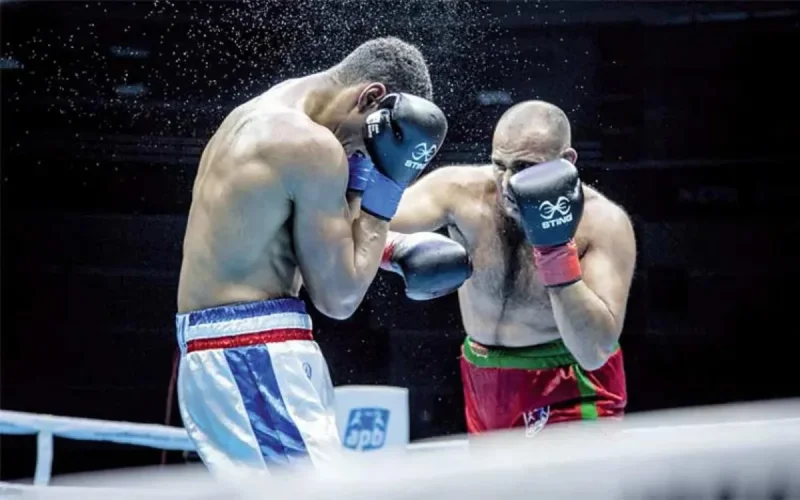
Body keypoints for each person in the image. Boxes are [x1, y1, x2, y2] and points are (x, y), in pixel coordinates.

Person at [175, 37, 471, 475]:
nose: (362, 157)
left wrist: (390, 249)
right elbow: (339, 298)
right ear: (371, 97)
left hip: (236, 351)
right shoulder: (312, 146)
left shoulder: (262, 112)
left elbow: (278, 236)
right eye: (367, 145)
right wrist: (386, 186)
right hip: (253, 354)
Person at [389, 100, 636, 435]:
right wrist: (393, 250)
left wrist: (555, 251)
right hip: (484, 378)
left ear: (567, 163)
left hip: (569, 382)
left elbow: (594, 352)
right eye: (498, 164)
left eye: (523, 166)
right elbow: (369, 224)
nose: (506, 183)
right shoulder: (459, 192)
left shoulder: (603, 222)